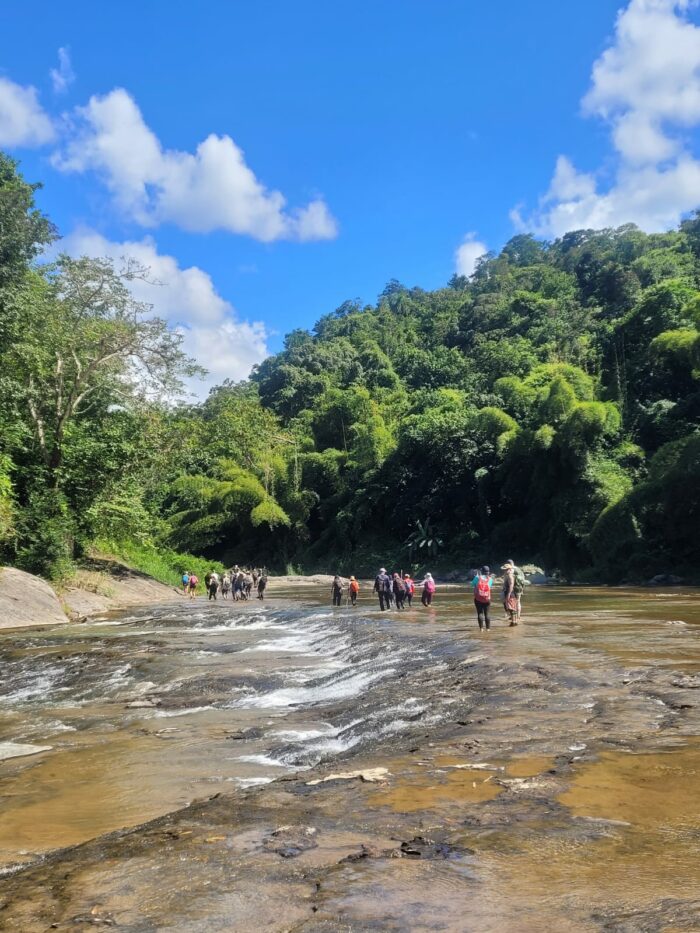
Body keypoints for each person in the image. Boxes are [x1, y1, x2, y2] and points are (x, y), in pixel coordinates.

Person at [501, 560, 525, 625]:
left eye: (505, 569)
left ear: (509, 569)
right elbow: (523, 579)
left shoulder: (510, 575)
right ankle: (516, 619)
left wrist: (509, 594)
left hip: (512, 592)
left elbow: (511, 585)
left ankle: (514, 621)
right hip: (518, 589)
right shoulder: (517, 570)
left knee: (511, 606)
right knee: (515, 604)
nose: (504, 571)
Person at [472, 565, 494, 631]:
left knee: (480, 613)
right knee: (487, 614)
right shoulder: (490, 579)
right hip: (487, 598)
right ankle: (488, 629)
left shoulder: (477, 577)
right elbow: (489, 586)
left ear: (481, 571)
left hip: (478, 598)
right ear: (488, 572)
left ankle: (481, 629)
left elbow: (472, 584)